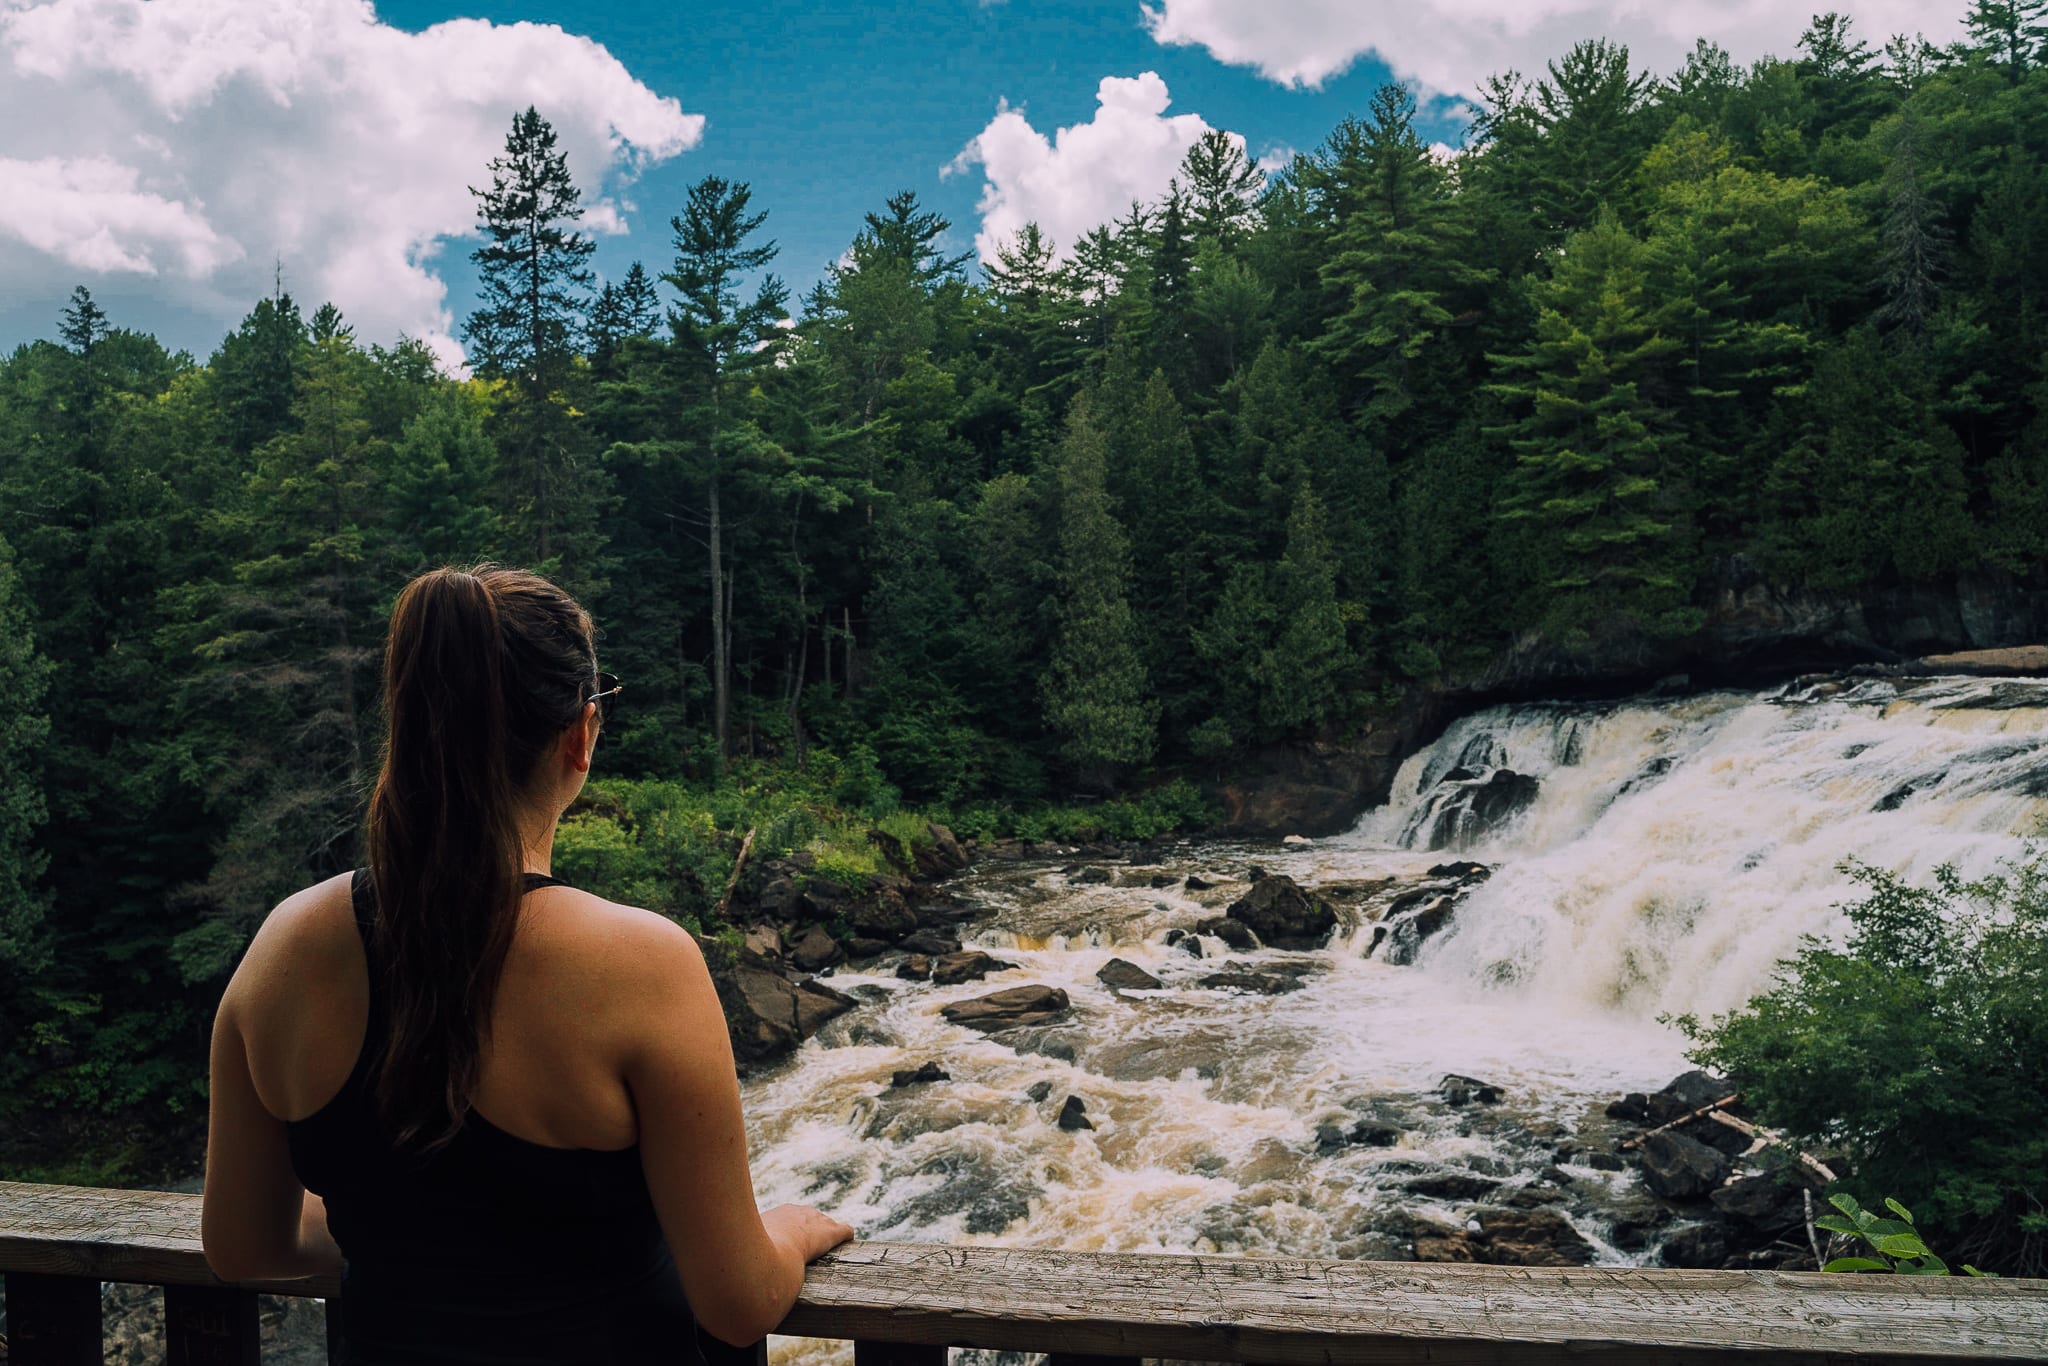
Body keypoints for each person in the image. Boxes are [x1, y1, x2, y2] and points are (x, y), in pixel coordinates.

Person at [201, 564, 852, 1362]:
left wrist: (398, 1234)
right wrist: (791, 1229)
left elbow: (243, 1247)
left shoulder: (284, 947)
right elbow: (736, 1302)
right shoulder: (639, 962)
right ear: (579, 734)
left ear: (406, 726)